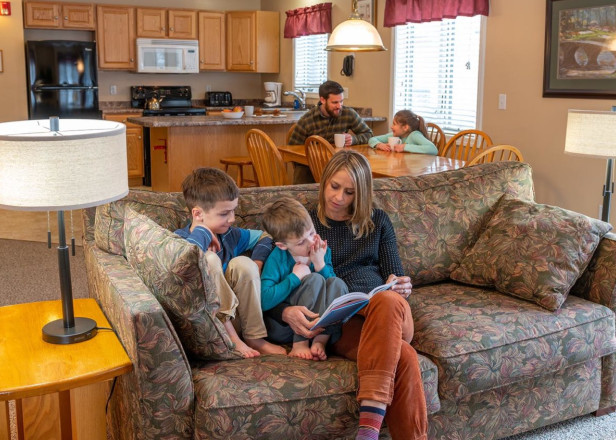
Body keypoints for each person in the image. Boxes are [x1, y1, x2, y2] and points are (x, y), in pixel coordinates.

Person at [268, 151, 427, 440]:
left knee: (389, 300)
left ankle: (367, 430)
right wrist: (284, 312)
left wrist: (400, 284)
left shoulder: (378, 221)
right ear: (324, 182)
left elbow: (395, 273)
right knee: (402, 357)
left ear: (362, 193)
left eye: (349, 192)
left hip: (387, 312)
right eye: (334, 186)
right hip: (341, 322)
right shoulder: (303, 223)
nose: (339, 197)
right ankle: (374, 432)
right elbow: (269, 274)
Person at [175, 167, 286, 358]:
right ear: (198, 214)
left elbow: (266, 236)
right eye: (224, 213)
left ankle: (254, 337)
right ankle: (232, 339)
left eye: (233, 211)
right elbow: (186, 259)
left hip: (237, 319)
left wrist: (257, 263)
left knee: (244, 263)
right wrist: (203, 232)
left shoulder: (230, 235)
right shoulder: (179, 240)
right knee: (208, 259)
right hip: (207, 325)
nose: (232, 219)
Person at [259, 197, 348, 360]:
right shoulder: (277, 259)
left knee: (337, 283)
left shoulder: (321, 250)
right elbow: (263, 300)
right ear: (282, 245)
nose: (310, 243)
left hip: (320, 326)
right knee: (313, 279)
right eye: (301, 242)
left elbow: (332, 289)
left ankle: (320, 341)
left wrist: (320, 264)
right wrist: (294, 278)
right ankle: (300, 344)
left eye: (312, 233)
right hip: (284, 328)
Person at [289, 80, 374, 183]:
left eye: (341, 101)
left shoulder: (348, 114)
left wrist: (353, 139)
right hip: (310, 168)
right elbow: (292, 149)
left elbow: (369, 134)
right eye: (335, 102)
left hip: (340, 165)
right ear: (323, 100)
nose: (339, 106)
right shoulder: (307, 121)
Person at [368, 109, 438, 155]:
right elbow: (372, 139)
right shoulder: (394, 136)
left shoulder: (414, 135)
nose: (391, 127)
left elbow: (433, 149)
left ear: (405, 127)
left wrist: (405, 147)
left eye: (394, 124)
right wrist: (379, 145)